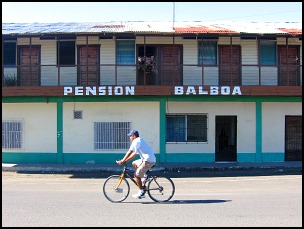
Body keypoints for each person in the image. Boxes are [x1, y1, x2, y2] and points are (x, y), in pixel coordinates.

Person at [116, 129, 156, 198]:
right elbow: (134, 154)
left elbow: (130, 152)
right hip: (148, 159)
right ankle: (144, 176)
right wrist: (126, 160)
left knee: (136, 176)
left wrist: (122, 160)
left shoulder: (136, 141)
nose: (130, 137)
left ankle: (141, 192)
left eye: (130, 136)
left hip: (148, 160)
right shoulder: (139, 141)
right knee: (134, 163)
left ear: (134, 136)